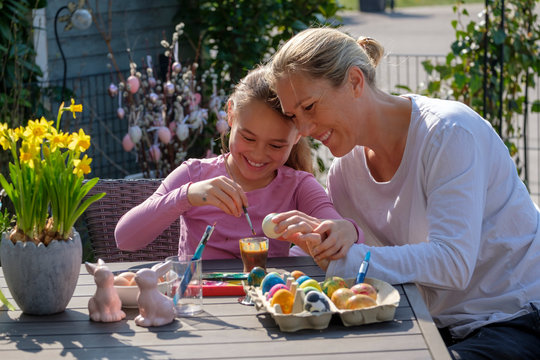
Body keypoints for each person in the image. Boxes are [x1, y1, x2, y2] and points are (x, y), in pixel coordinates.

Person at [266, 27, 540, 359]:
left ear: (355, 81)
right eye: (295, 116)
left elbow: (452, 263)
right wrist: (308, 248)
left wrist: (348, 259)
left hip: (515, 317)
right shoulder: (344, 172)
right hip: (429, 323)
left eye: (310, 107)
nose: (304, 130)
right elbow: (348, 258)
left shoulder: (449, 134)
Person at [115, 65, 361, 261]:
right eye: (248, 137)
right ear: (230, 114)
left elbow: (339, 235)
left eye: (276, 145)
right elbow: (125, 238)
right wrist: (187, 195)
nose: (258, 154)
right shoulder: (195, 175)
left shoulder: (298, 186)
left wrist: (343, 232)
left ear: (298, 136)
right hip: (204, 309)